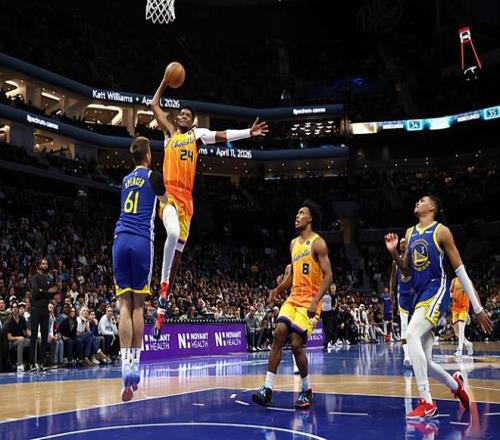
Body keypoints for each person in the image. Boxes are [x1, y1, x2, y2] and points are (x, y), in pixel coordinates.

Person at [150, 72, 269, 338]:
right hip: (168, 195)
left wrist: (248, 132)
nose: (182, 116)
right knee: (171, 233)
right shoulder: (169, 133)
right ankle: (163, 289)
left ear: (193, 121)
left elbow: (223, 135)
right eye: (180, 114)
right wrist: (165, 82)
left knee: (178, 254)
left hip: (187, 199)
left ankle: (162, 304)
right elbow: (153, 104)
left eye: (187, 115)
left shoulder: (197, 135)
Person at [385, 195, 492, 420]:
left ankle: (427, 402)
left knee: (411, 334)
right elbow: (406, 271)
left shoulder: (441, 232)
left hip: (436, 288)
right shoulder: (409, 233)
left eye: (422, 200)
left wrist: (478, 308)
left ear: (432, 207)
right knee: (425, 362)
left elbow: (460, 270)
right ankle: (456, 385)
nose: (417, 202)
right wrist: (394, 252)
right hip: (419, 294)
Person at [253, 201, 332, 409]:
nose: (297, 216)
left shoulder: (318, 243)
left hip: (310, 300)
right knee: (279, 333)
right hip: (294, 297)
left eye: (301, 213)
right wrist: (277, 289)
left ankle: (306, 390)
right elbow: (293, 275)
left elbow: (329, 276)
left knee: (297, 343)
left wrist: (316, 300)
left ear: (310, 219)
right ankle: (267, 388)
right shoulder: (293, 244)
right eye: (296, 213)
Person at [112, 136, 168, 401]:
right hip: (141, 240)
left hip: (120, 238)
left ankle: (125, 365)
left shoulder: (125, 181)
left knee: (124, 304)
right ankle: (135, 364)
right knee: (138, 306)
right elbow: (166, 201)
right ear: (148, 156)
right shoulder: (153, 176)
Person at [29, 258, 57, 371]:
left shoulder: (48, 278)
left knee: (45, 337)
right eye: (43, 263)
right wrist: (46, 292)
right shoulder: (35, 278)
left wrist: (43, 292)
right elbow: (36, 292)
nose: (45, 265)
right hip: (35, 309)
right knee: (34, 336)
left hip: (45, 310)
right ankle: (32, 363)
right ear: (39, 265)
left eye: (46, 264)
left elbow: (53, 293)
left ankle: (41, 362)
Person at [389, 238, 413, 367]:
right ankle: (407, 355)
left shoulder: (413, 259)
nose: (403, 244)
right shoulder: (396, 261)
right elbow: (393, 276)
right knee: (404, 325)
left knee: (415, 324)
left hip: (413, 294)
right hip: (402, 294)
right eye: (401, 243)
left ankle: (419, 351)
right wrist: (391, 290)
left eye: (405, 243)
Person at [450, 277, 474, 357]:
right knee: (456, 332)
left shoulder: (467, 280)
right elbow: (450, 292)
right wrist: (452, 295)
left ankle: (459, 350)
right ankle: (467, 343)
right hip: (455, 308)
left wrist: (468, 313)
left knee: (461, 329)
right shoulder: (454, 280)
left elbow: (472, 295)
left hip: (464, 308)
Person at [5, 301, 30, 372]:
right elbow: (9, 337)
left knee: (34, 341)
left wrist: (32, 334)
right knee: (21, 341)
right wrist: (18, 338)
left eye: (16, 307)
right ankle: (19, 365)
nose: (15, 309)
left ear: (18, 309)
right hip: (13, 343)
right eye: (13, 307)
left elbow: (26, 332)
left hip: (23, 340)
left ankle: (33, 363)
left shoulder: (22, 319)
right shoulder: (9, 322)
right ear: (11, 309)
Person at [321, 283, 336, 351]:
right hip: (323, 313)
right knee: (325, 329)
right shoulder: (322, 294)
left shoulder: (331, 294)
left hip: (330, 313)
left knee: (329, 328)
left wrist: (333, 289)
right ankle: (328, 341)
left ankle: (326, 344)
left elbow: (334, 300)